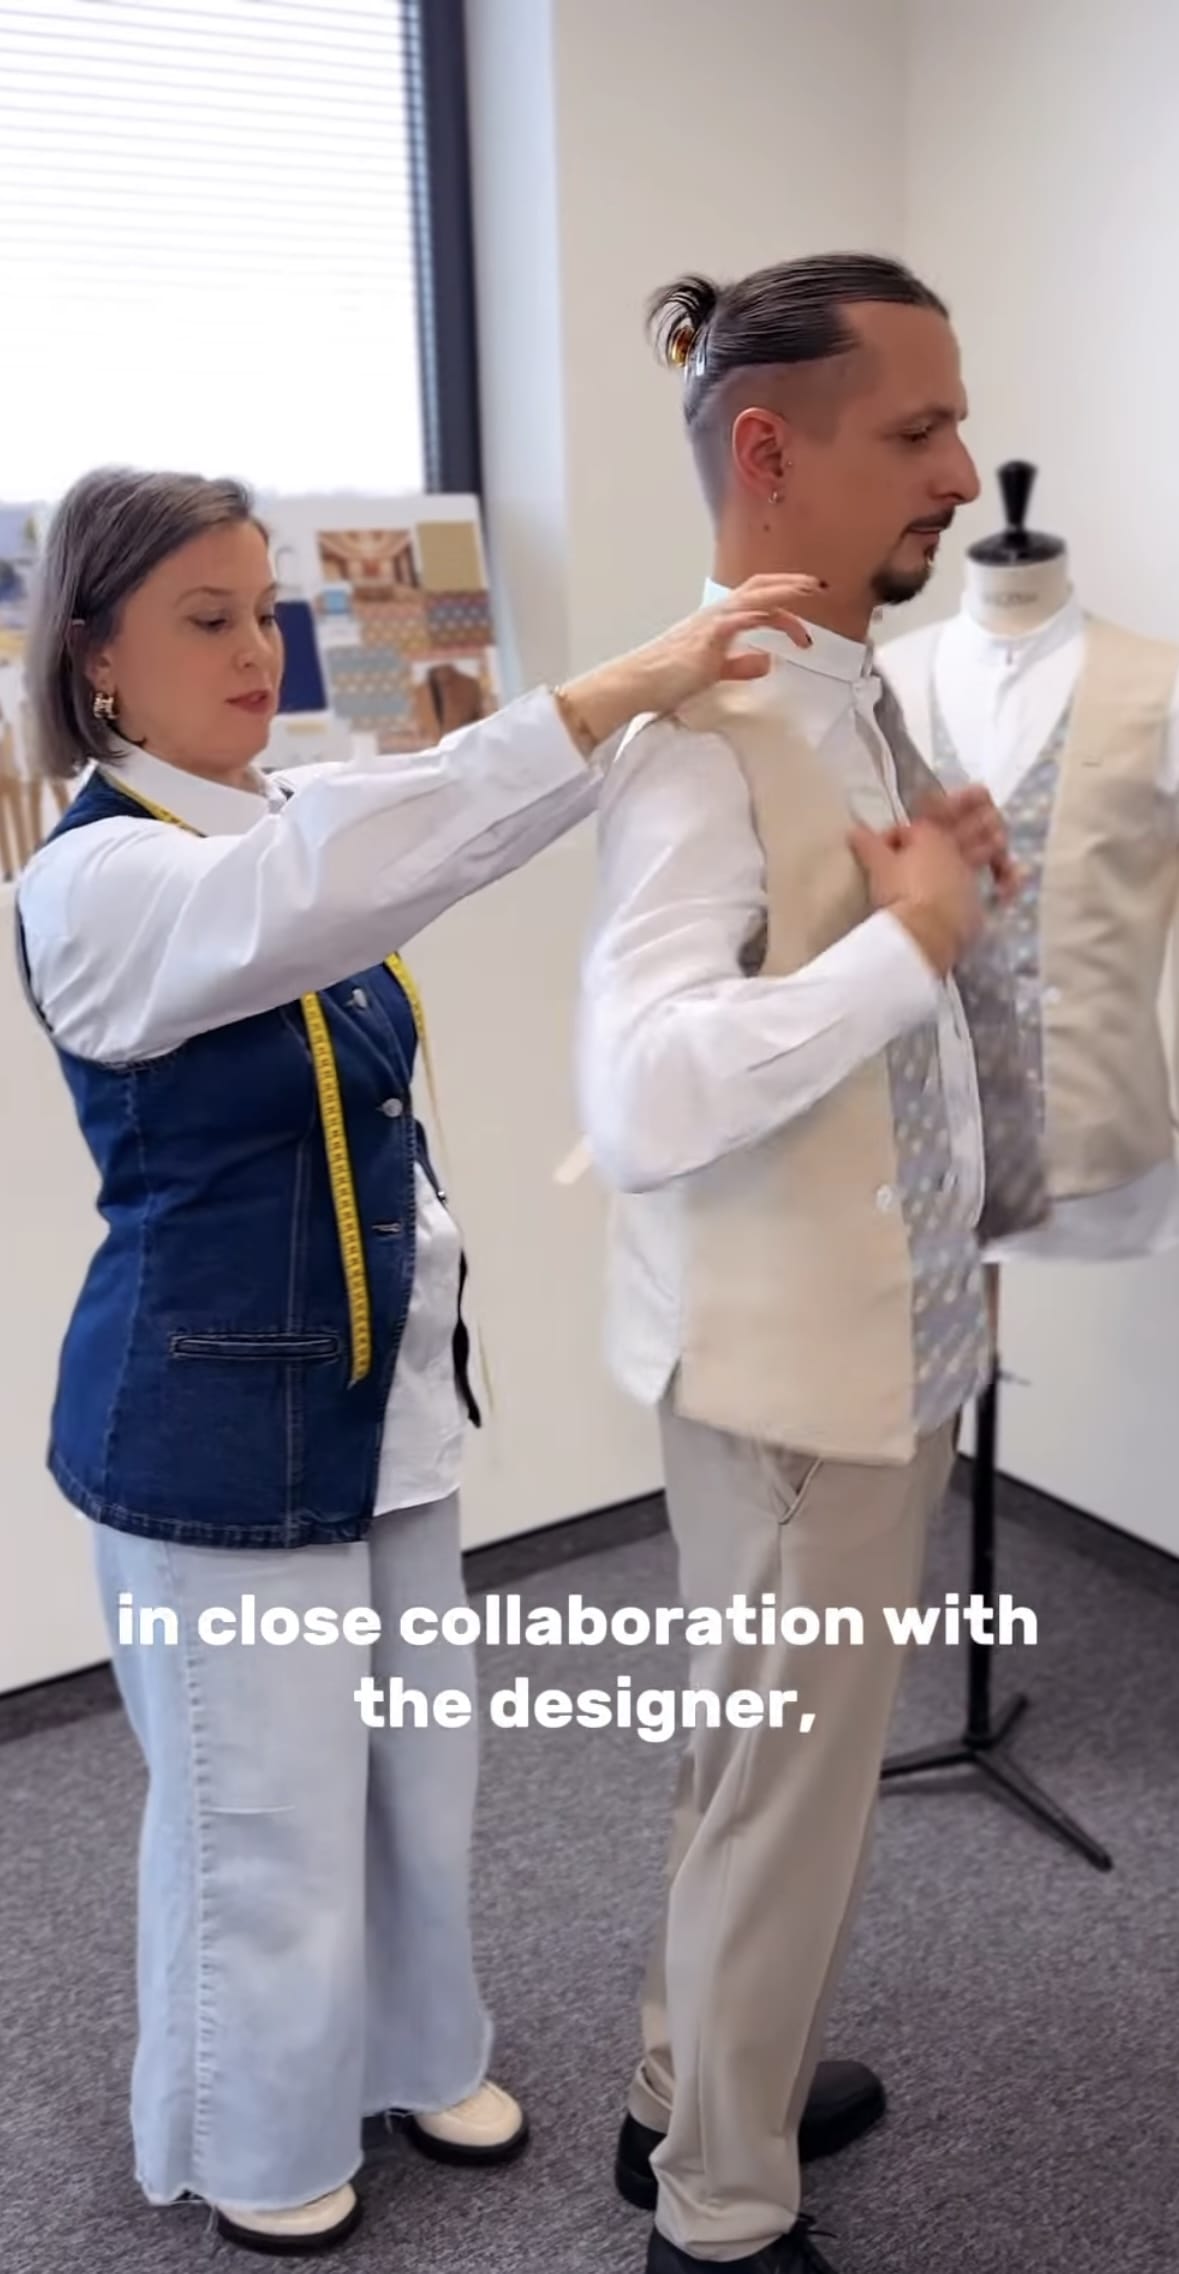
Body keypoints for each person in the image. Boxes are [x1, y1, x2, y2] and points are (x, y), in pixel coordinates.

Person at [15, 463, 819, 2257]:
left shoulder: (276, 812)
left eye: (265, 610)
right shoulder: (102, 883)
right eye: (204, 619)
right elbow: (362, 863)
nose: (258, 648)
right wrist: (617, 685)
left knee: (410, 1772)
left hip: (378, 1405)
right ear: (95, 656)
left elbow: (437, 817)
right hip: (211, 1431)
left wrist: (655, 713)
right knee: (262, 1814)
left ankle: (411, 2052)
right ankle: (258, 2136)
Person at [576, 254, 1046, 2274]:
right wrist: (913, 941)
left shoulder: (845, 690)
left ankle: (688, 2093)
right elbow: (647, 1089)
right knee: (784, 1803)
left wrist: (932, 921)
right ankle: (719, 2209)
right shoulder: (707, 730)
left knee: (753, 1771)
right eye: (916, 431)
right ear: (769, 450)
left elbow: (850, 1003)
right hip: (796, 1386)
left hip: (870, 1348)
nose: (958, 470)